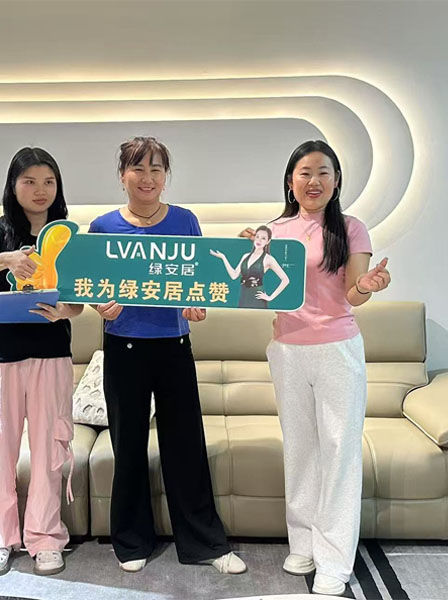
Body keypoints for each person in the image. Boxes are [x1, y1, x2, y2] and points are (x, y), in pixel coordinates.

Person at [89, 136, 246, 575]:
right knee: (129, 447)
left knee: (186, 445)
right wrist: (101, 305)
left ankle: (205, 544)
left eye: (156, 169)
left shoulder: (184, 221)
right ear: (122, 175)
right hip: (124, 347)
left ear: (165, 176)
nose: (147, 178)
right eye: (138, 168)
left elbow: (200, 281)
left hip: (174, 346)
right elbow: (90, 286)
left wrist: (198, 304)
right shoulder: (103, 227)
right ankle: (130, 540)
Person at [240, 140, 390, 596]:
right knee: (300, 449)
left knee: (339, 453)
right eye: (305, 173)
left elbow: (353, 294)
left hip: (337, 350)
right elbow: (250, 288)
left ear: (336, 181)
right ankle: (303, 541)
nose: (314, 181)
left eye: (323, 172)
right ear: (290, 181)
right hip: (288, 350)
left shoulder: (351, 228)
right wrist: (244, 256)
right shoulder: (273, 231)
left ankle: (334, 560)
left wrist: (367, 284)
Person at [0, 147, 84, 577]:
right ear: (13, 186)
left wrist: (64, 311)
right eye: (29, 181)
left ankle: (46, 537)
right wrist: (9, 259)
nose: (39, 190)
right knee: (0, 448)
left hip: (52, 355)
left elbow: (78, 301)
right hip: (1, 356)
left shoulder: (67, 236)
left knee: (51, 447)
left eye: (48, 181)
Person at [210, 225, 289, 308]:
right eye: (257, 237)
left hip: (257, 297)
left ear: (268, 241)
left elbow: (285, 280)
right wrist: (223, 258)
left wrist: (270, 297)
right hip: (243, 295)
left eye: (263, 238)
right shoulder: (245, 256)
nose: (259, 240)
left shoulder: (268, 259)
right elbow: (234, 275)